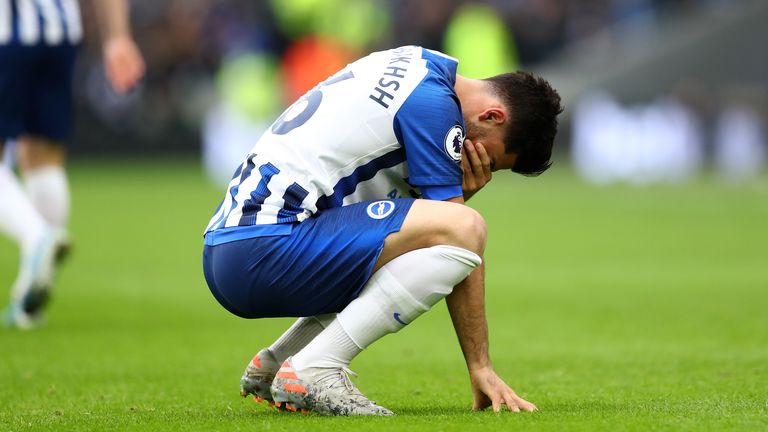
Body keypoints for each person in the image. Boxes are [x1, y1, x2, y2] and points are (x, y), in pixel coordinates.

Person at [202, 45, 562, 415]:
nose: (479, 162)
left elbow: (401, 227)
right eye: (490, 156)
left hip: (230, 247)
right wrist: (480, 365)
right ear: (492, 115)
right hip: (264, 248)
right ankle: (315, 370)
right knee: (466, 227)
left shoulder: (415, 62)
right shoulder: (432, 106)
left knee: (428, 233)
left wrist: (449, 207)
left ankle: (284, 359)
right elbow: (457, 233)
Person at [0, 0, 145, 329]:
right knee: (43, 157)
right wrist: (118, 36)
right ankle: (29, 297)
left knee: (34, 157)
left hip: (6, 30)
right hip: (59, 32)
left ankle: (37, 239)